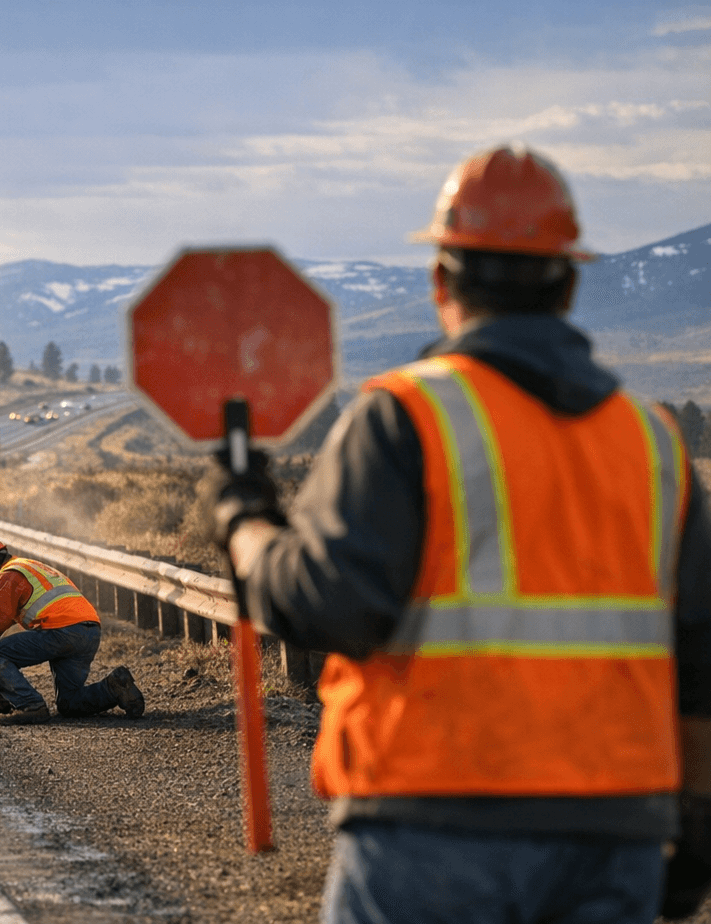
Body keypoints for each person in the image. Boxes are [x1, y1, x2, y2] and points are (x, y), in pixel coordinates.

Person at [210, 144, 711, 922]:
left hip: (434, 828)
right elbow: (701, 660)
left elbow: (328, 606)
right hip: (616, 833)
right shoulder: (654, 445)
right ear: (570, 282)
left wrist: (245, 524)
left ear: (442, 280)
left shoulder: (408, 416)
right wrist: (697, 824)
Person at [0, 537, 144, 725]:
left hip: (61, 632)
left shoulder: (8, 575)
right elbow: (6, 616)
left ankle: (31, 706)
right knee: (69, 703)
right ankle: (115, 687)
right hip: (89, 632)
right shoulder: (31, 566)